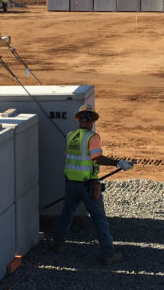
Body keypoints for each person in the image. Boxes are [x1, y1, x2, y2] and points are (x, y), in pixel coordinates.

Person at [50, 103, 133, 265]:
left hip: (71, 183)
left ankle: (57, 244)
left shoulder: (70, 136)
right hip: (87, 185)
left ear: (79, 120)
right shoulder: (92, 137)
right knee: (99, 218)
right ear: (92, 121)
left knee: (67, 214)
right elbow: (96, 158)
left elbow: (72, 157)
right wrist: (119, 163)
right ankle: (108, 254)